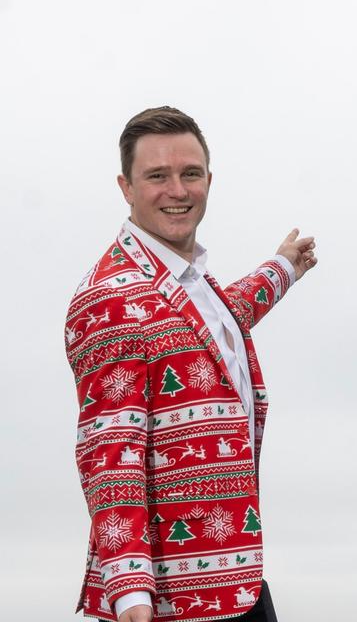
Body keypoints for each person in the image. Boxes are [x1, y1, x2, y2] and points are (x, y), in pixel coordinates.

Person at [65, 107, 317, 622]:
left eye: (190, 174)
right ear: (126, 187)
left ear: (209, 180)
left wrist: (283, 267)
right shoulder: (110, 298)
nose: (177, 190)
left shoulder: (190, 281)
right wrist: (131, 593)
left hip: (237, 578)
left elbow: (221, 319)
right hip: (170, 600)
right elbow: (111, 451)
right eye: (157, 176)